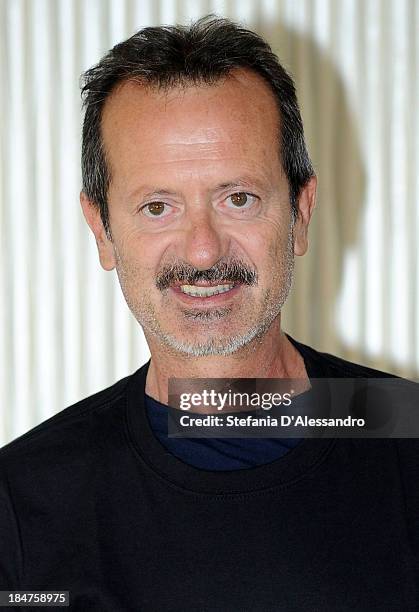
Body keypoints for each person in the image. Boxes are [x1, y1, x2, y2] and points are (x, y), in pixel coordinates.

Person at [0, 16, 417, 611]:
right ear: (103, 231)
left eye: (238, 198)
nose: (202, 249)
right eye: (158, 206)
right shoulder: (24, 501)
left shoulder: (404, 431)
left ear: (300, 211)